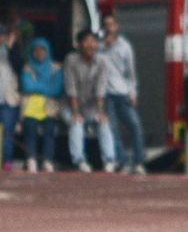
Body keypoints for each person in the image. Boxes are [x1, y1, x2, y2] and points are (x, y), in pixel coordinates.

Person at [100, 13, 147, 174]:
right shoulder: (99, 46)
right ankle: (122, 160)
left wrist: (133, 93)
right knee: (112, 128)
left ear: (116, 26)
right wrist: (104, 47)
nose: (109, 28)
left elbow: (130, 72)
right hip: (106, 93)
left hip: (122, 92)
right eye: (106, 25)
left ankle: (138, 161)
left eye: (111, 24)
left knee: (135, 125)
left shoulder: (125, 46)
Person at [64, 30, 115, 173]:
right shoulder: (71, 60)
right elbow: (71, 88)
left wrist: (100, 112)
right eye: (86, 41)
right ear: (79, 44)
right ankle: (79, 160)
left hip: (92, 106)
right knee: (76, 124)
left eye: (93, 41)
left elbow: (101, 88)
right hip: (70, 104)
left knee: (104, 123)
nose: (91, 45)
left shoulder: (102, 61)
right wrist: (75, 113)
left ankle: (109, 161)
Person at [19, 38, 63, 173]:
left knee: (49, 132)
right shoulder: (27, 67)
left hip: (49, 106)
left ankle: (47, 160)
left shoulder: (56, 68)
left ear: (47, 51)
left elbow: (57, 89)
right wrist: (45, 87)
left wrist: (37, 87)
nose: (39, 53)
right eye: (36, 50)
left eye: (42, 50)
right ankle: (31, 159)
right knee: (30, 131)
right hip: (30, 106)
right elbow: (26, 86)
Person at [0, 25, 18, 170]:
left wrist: (11, 48)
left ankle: (7, 161)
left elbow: (19, 65)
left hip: (8, 99)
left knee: (7, 132)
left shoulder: (12, 51)